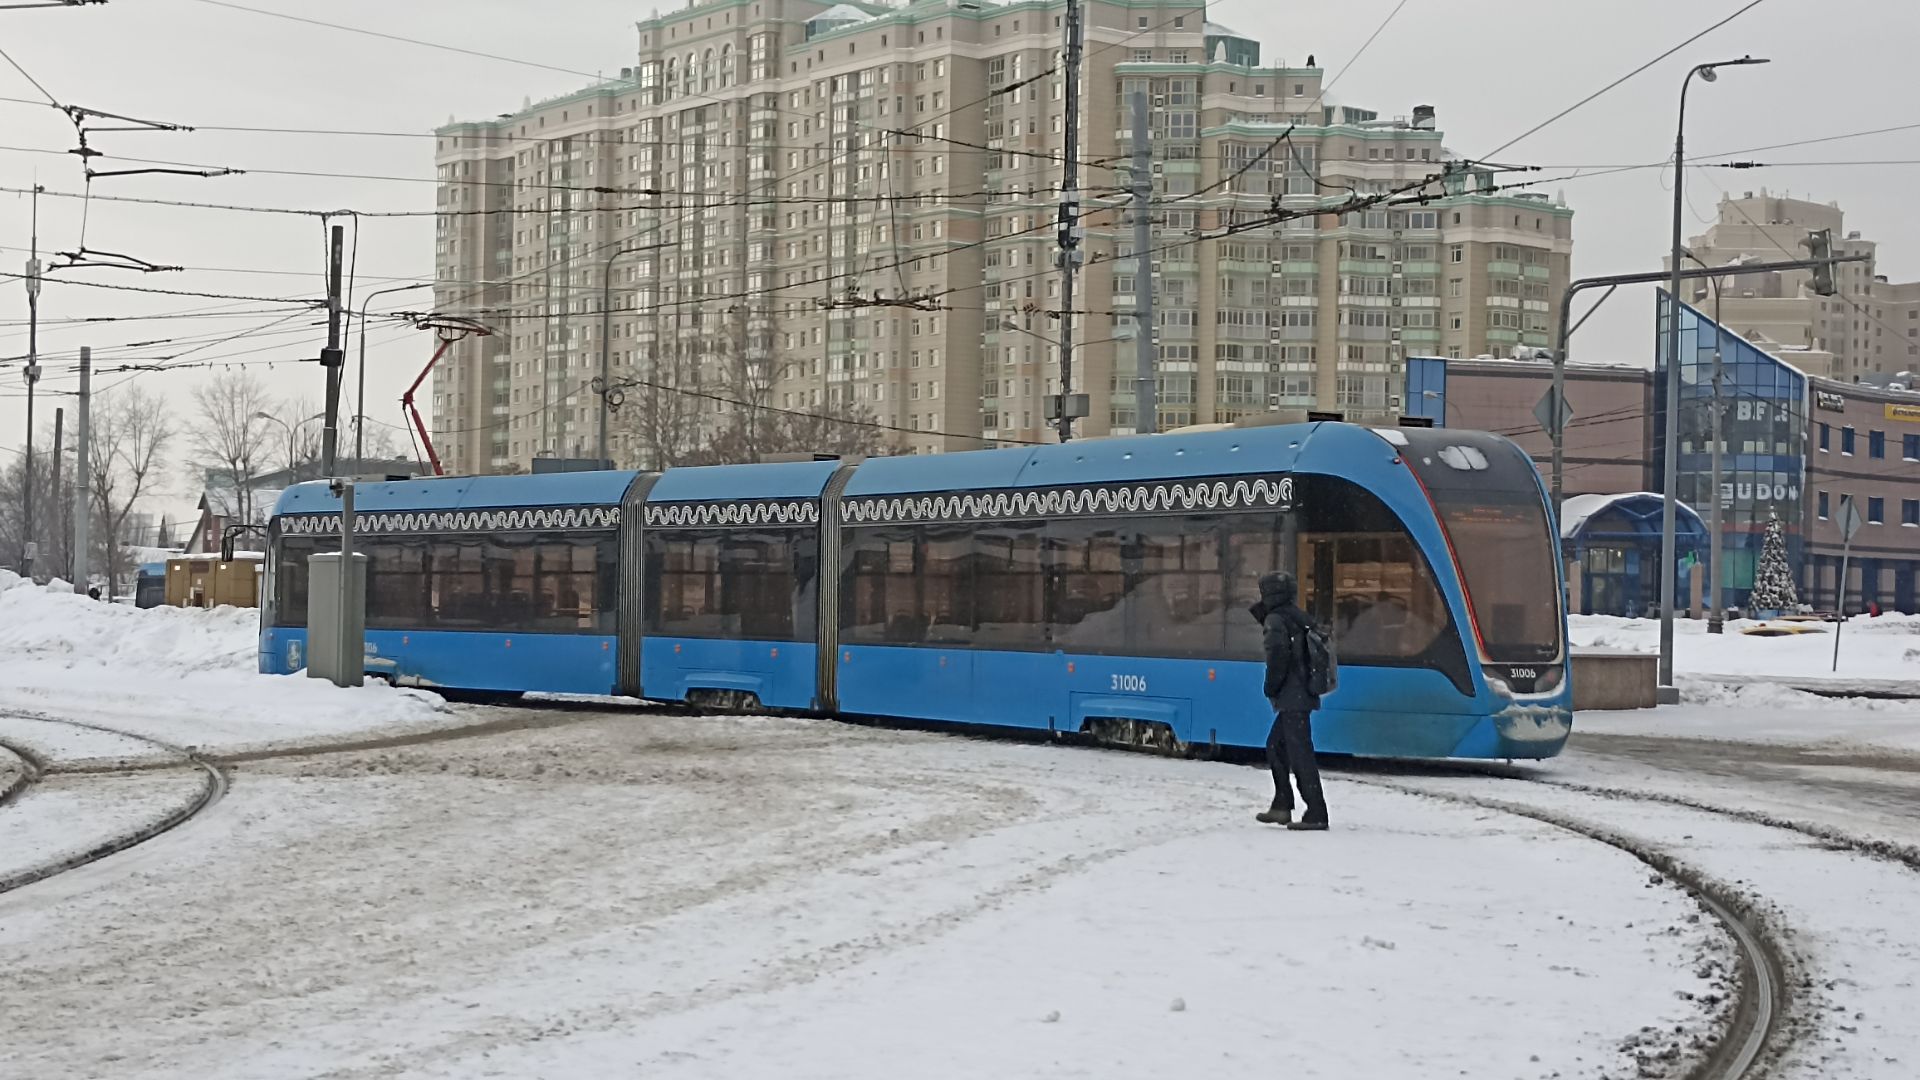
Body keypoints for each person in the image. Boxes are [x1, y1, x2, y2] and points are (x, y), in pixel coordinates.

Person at [1247, 571, 1328, 831]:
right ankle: (1282, 805)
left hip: (1292, 696)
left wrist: (1270, 688)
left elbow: (1278, 657)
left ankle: (1316, 812)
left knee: (1298, 753)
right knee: (1277, 746)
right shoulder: (1296, 615)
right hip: (1301, 692)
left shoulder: (1276, 620)